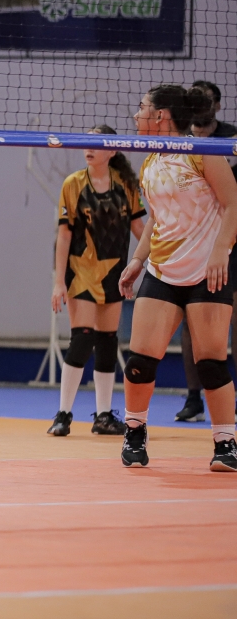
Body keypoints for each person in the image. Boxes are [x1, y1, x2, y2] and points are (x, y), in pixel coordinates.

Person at [117, 85, 237, 472]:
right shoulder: (150, 162)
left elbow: (233, 202)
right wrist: (137, 260)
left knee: (211, 364)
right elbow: (157, 217)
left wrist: (220, 250)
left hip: (207, 272)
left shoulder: (202, 151)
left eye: (142, 108)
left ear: (161, 115)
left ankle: (226, 442)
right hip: (163, 272)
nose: (136, 115)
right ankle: (135, 431)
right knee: (139, 361)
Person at [49, 126, 146, 437]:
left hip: (113, 273)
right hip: (81, 273)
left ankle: (103, 416)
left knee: (107, 342)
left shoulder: (126, 185)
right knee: (82, 338)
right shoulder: (73, 184)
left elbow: (139, 229)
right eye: (86, 143)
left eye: (96, 143)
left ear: (112, 151)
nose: (88, 148)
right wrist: (58, 282)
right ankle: (63, 414)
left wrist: (160, 257)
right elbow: (64, 235)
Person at [177, 81, 237, 422]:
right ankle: (193, 398)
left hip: (230, 238)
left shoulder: (231, 138)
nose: (200, 104)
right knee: (190, 321)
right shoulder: (180, 139)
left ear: (216, 105)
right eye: (194, 99)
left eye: (206, 99)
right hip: (195, 239)